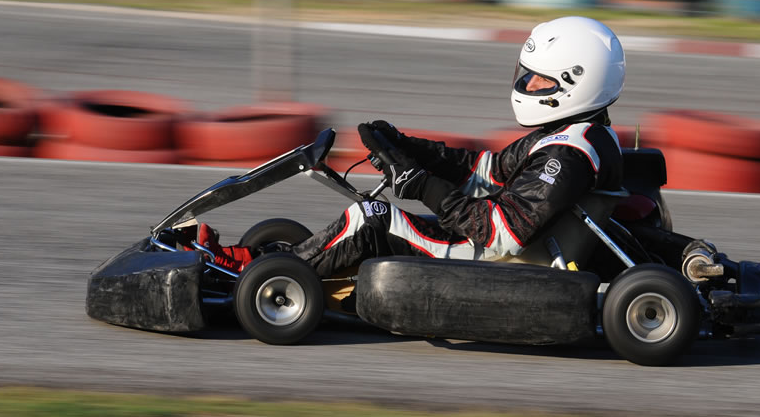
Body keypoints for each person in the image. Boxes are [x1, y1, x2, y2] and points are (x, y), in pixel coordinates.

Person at [200, 16, 626, 277]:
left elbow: (501, 234)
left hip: (500, 263)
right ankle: (272, 259)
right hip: (502, 244)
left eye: (539, 80)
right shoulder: (573, 133)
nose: (526, 86)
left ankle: (251, 274)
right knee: (369, 214)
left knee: (371, 218)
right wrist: (409, 148)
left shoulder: (568, 155)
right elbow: (486, 171)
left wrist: (420, 184)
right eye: (526, 75)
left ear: (574, 83)